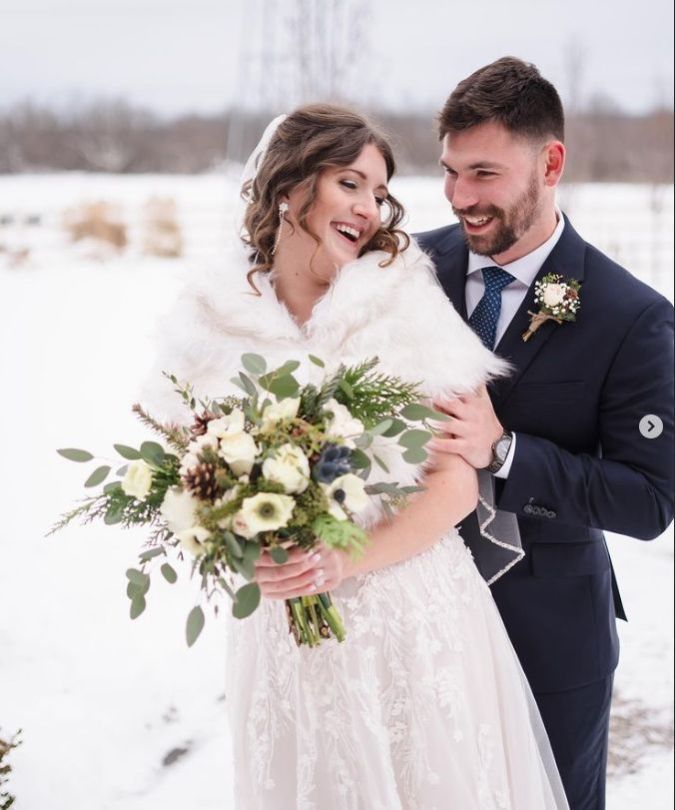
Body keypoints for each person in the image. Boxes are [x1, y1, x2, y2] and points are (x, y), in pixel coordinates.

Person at [145, 104, 569, 809]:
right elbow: (182, 480)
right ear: (289, 187)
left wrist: (346, 559)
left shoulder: (401, 306)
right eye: (350, 183)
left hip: (408, 614)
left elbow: (455, 484)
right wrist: (244, 542)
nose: (369, 208)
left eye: (377, 192)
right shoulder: (209, 319)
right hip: (280, 630)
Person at [416, 57, 675, 810]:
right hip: (413, 618)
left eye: (484, 174)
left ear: (550, 162)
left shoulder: (631, 319)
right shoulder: (407, 270)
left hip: (549, 638)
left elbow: (649, 499)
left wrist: (505, 451)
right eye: (450, 172)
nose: (461, 197)